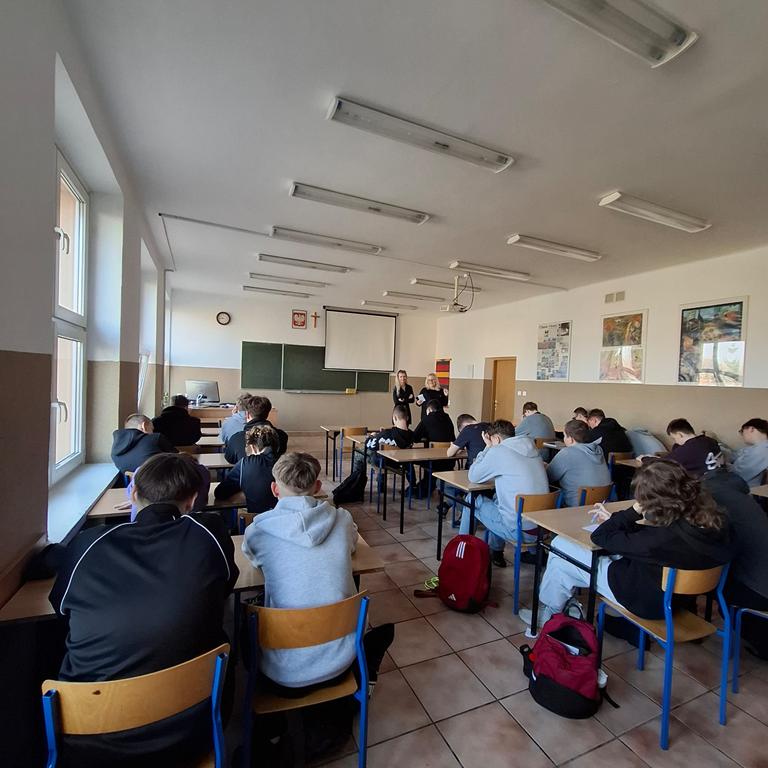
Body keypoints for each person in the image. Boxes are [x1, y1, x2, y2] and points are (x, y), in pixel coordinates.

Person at [49, 453, 238, 765]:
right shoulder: (209, 533)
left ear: (133, 492)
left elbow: (61, 610)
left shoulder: (87, 544)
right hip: (193, 728)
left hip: (90, 739)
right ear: (192, 501)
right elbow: (225, 586)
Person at [520, 459, 733, 632]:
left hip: (642, 600)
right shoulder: (712, 521)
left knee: (560, 547)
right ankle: (563, 604)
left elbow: (600, 537)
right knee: (569, 559)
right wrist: (619, 520)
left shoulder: (658, 541)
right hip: (679, 599)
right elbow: (651, 539)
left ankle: (551, 611)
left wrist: (633, 510)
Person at [241, 453, 393, 691]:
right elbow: (353, 545)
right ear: (318, 486)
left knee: (243, 620)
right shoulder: (342, 519)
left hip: (280, 673)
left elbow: (252, 557)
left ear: (274, 489)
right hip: (342, 661)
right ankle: (363, 673)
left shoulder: (258, 530)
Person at [459, 420, 549, 568]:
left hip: (519, 530)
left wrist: (487, 447)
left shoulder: (499, 451)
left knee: (472, 499)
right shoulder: (532, 448)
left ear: (496, 438)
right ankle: (496, 552)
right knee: (497, 500)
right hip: (542, 528)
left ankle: (461, 552)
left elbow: (473, 476)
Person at [703, 468, 768, 659]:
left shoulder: (712, 499)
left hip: (759, 591)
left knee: (704, 583)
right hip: (760, 577)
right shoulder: (747, 500)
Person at [214, 424, 280, 514]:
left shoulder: (245, 463)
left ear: (252, 447)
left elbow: (220, 493)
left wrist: (244, 492)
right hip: (287, 519)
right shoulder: (288, 464)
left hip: (256, 520)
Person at [546, 419, 611, 507]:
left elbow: (548, 477)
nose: (564, 439)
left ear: (571, 439)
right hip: (602, 503)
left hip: (576, 505)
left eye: (564, 436)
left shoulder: (567, 453)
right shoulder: (598, 450)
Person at [224, 395, 288, 464]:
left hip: (244, 470)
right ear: (267, 414)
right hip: (273, 470)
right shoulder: (282, 436)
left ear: (247, 414)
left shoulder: (236, 438)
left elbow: (229, 459)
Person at [412, 401, 456, 499]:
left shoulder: (427, 419)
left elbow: (415, 437)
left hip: (433, 461)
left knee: (418, 458)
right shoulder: (448, 418)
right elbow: (453, 438)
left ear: (429, 409)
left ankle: (421, 488)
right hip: (448, 460)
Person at [111, 413, 177, 474]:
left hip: (135, 482)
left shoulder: (115, 450)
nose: (152, 432)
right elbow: (177, 456)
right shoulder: (156, 438)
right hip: (161, 480)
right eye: (152, 429)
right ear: (144, 426)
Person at [730, 418, 768, 487]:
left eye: (742, 431)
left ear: (751, 429)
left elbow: (737, 474)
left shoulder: (761, 451)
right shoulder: (754, 448)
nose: (742, 435)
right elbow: (733, 456)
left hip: (746, 490)